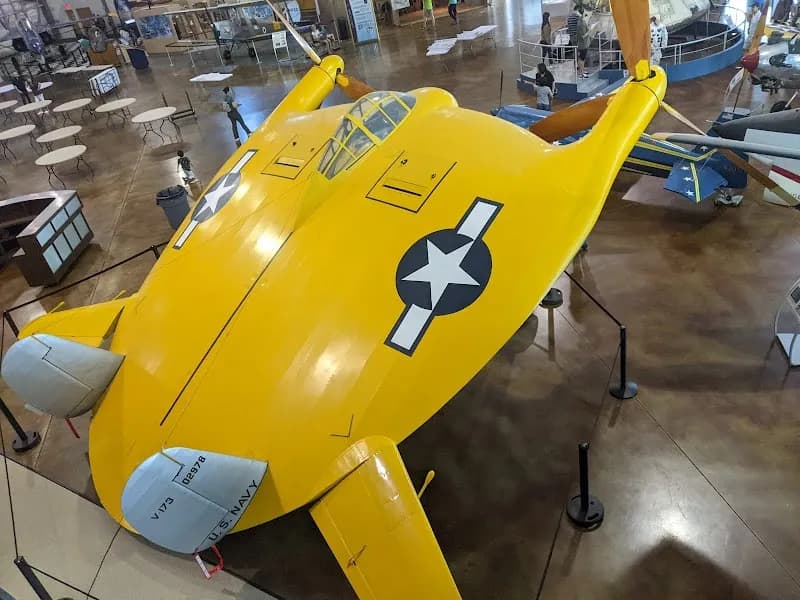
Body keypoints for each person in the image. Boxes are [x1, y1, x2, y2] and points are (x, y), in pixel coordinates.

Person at [576, 10, 591, 78]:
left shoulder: (582, 22)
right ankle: (581, 73)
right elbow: (582, 36)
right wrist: (589, 31)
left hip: (584, 44)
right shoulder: (580, 23)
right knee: (581, 59)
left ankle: (582, 71)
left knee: (582, 58)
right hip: (583, 44)